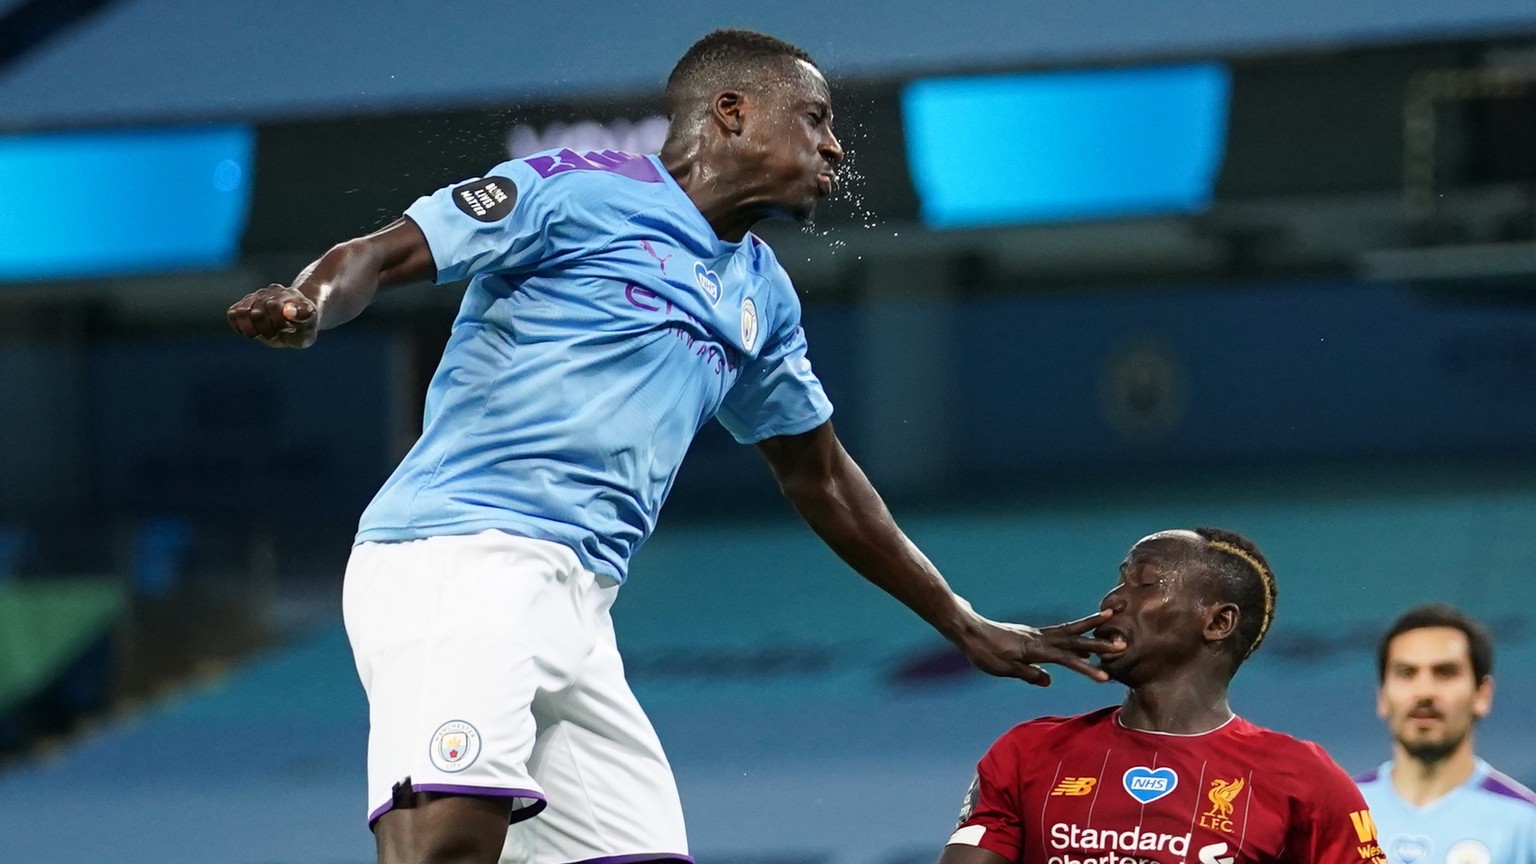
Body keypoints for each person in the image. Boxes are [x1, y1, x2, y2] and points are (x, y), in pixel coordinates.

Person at [226, 28, 1121, 864]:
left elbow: (824, 480)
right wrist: (308, 307)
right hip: (461, 558)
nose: (835, 149)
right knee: (449, 845)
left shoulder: (762, 297)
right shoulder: (573, 189)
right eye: (815, 120)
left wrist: (957, 618)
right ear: (732, 111)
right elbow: (378, 255)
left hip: (581, 604)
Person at [939, 528, 1388, 864]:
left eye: (1145, 583)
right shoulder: (1028, 754)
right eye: (1119, 582)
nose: (1112, 599)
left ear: (1217, 623)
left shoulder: (1302, 780)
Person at [1356, 604, 1536, 864]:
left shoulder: (1525, 822)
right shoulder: (1339, 809)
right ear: (1382, 696)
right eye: (1407, 673)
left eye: (1445, 672)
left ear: (1482, 695)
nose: (1424, 691)